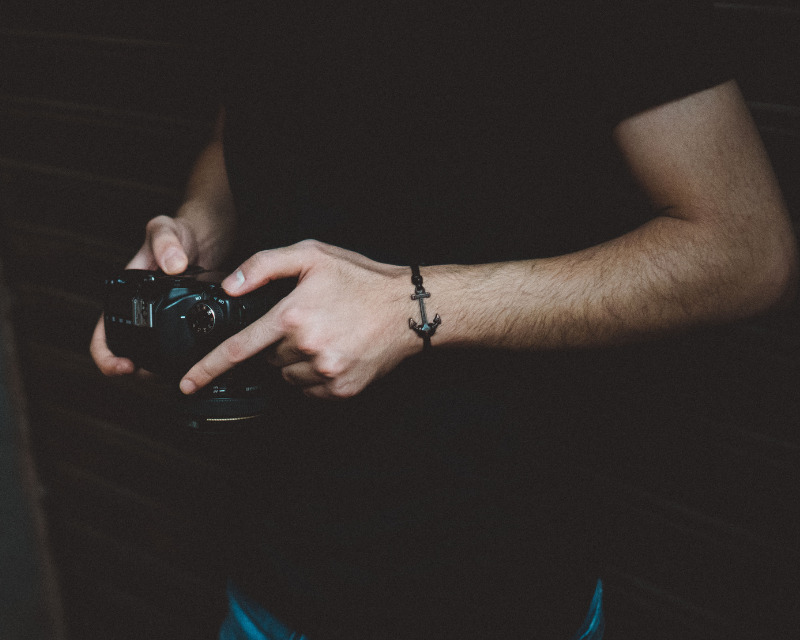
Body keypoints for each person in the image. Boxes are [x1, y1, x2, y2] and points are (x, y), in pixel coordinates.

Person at [91, 2, 798, 638]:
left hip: (489, 587)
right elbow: (243, 126)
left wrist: (413, 305)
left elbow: (746, 249)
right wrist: (199, 228)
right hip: (268, 577)